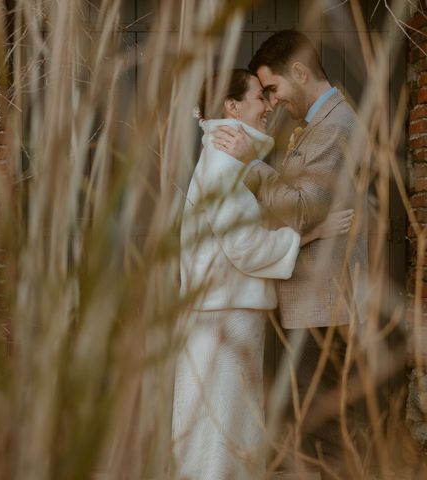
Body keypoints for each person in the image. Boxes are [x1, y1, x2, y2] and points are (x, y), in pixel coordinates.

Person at [172, 69, 353, 480]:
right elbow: (244, 247)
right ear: (232, 107)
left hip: (228, 312)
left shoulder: (229, 162)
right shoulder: (221, 164)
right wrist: (307, 237)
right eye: (258, 97)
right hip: (224, 317)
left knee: (227, 420)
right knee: (221, 422)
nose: (268, 106)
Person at [212, 30, 368, 478]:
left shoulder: (337, 127)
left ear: (299, 73)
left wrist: (250, 164)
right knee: (316, 423)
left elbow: (298, 211)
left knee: (323, 428)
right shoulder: (318, 125)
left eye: (274, 88)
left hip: (325, 302)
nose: (274, 101)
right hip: (310, 305)